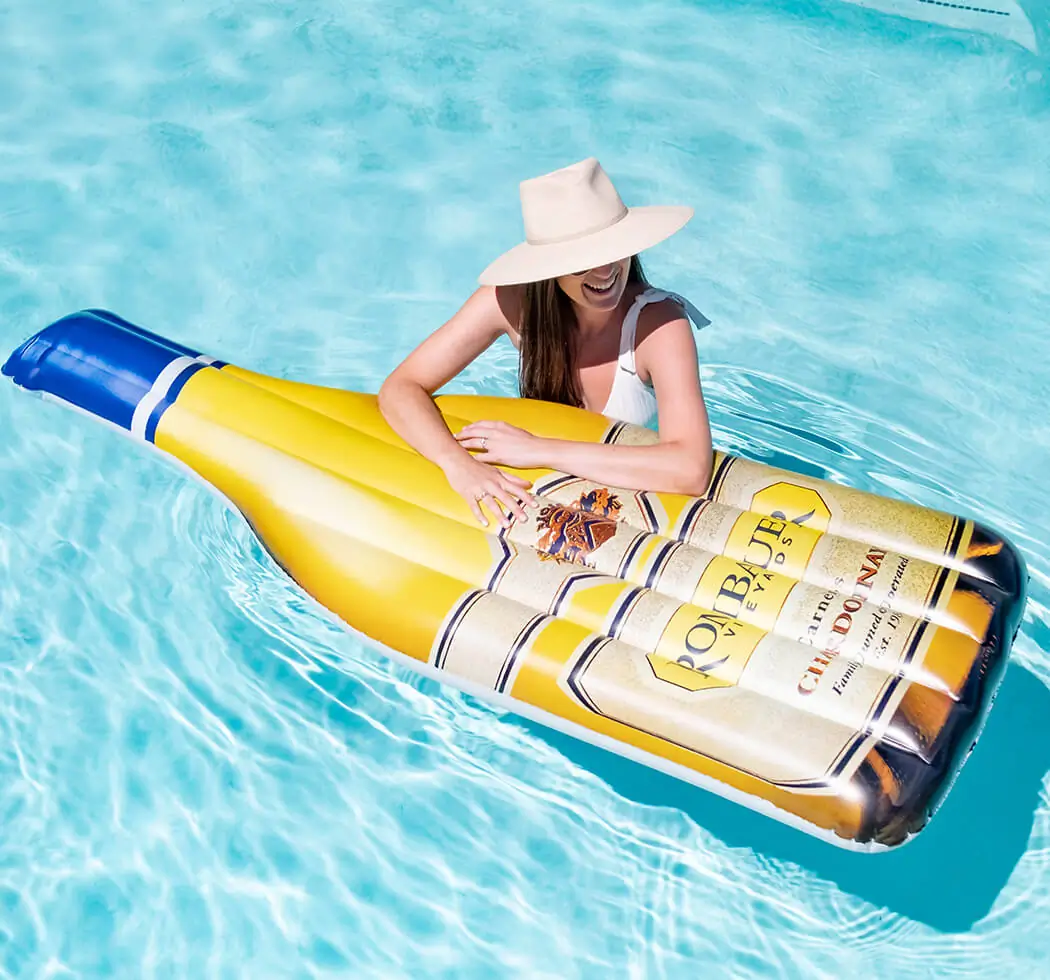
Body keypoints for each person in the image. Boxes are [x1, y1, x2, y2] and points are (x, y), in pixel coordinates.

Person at [378, 157, 714, 529]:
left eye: (614, 250)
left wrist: (536, 448)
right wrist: (459, 465)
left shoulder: (659, 325)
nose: (604, 273)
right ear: (549, 266)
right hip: (539, 498)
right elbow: (401, 386)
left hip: (634, 502)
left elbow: (690, 469)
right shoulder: (510, 304)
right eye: (581, 261)